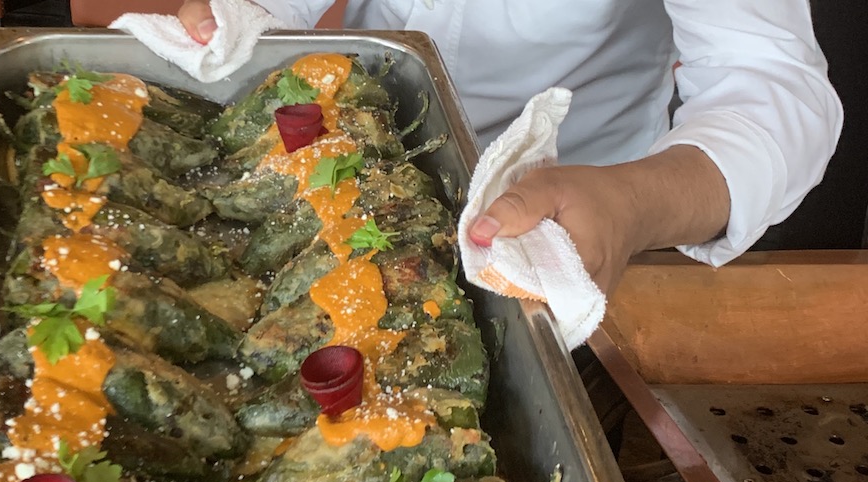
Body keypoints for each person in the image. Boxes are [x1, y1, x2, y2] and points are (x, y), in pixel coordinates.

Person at [175, 0, 842, 295]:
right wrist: (233, 24)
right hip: (354, 150)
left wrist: (631, 202)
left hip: (572, 223)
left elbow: (770, 83)